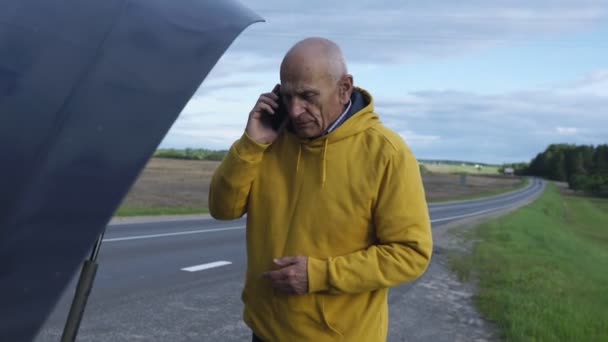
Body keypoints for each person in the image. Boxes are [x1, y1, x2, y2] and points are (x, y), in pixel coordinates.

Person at [208, 37, 433, 342]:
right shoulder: (269, 141)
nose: (296, 110)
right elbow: (223, 209)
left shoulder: (386, 152)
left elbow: (410, 253)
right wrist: (251, 144)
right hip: (265, 332)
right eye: (286, 96)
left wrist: (319, 275)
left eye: (308, 96)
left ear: (344, 88)